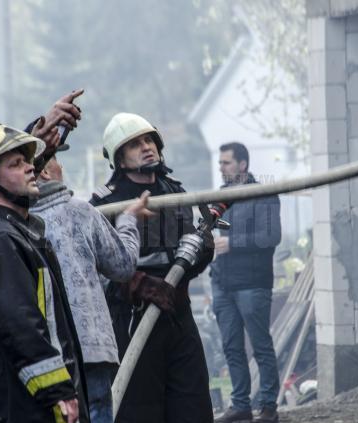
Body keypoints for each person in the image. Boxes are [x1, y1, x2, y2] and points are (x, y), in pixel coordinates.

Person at [0, 124, 89, 423]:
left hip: (31, 402)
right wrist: (57, 390)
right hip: (23, 406)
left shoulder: (15, 234)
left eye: (26, 161)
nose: (31, 168)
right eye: (16, 164)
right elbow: (18, 324)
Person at [90, 112, 214, 423]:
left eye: (149, 140)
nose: (146, 147)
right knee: (139, 411)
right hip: (132, 323)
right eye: (134, 144)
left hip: (178, 317)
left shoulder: (175, 193)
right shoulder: (104, 205)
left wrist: (203, 249)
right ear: (119, 159)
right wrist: (137, 283)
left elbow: (192, 257)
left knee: (193, 406)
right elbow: (93, 269)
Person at [31, 153, 150, 423]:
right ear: (47, 173)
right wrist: (128, 220)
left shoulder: (17, 222)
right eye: (58, 160)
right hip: (91, 348)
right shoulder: (79, 211)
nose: (62, 165)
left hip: (45, 357)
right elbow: (123, 265)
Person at [211, 142, 281, 423]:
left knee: (261, 345)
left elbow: (270, 237)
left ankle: (268, 407)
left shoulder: (263, 194)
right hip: (223, 285)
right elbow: (209, 233)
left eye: (226, 162)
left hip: (253, 283)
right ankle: (240, 405)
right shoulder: (218, 198)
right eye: (220, 163)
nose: (221, 168)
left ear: (242, 165)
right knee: (231, 347)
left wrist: (232, 243)